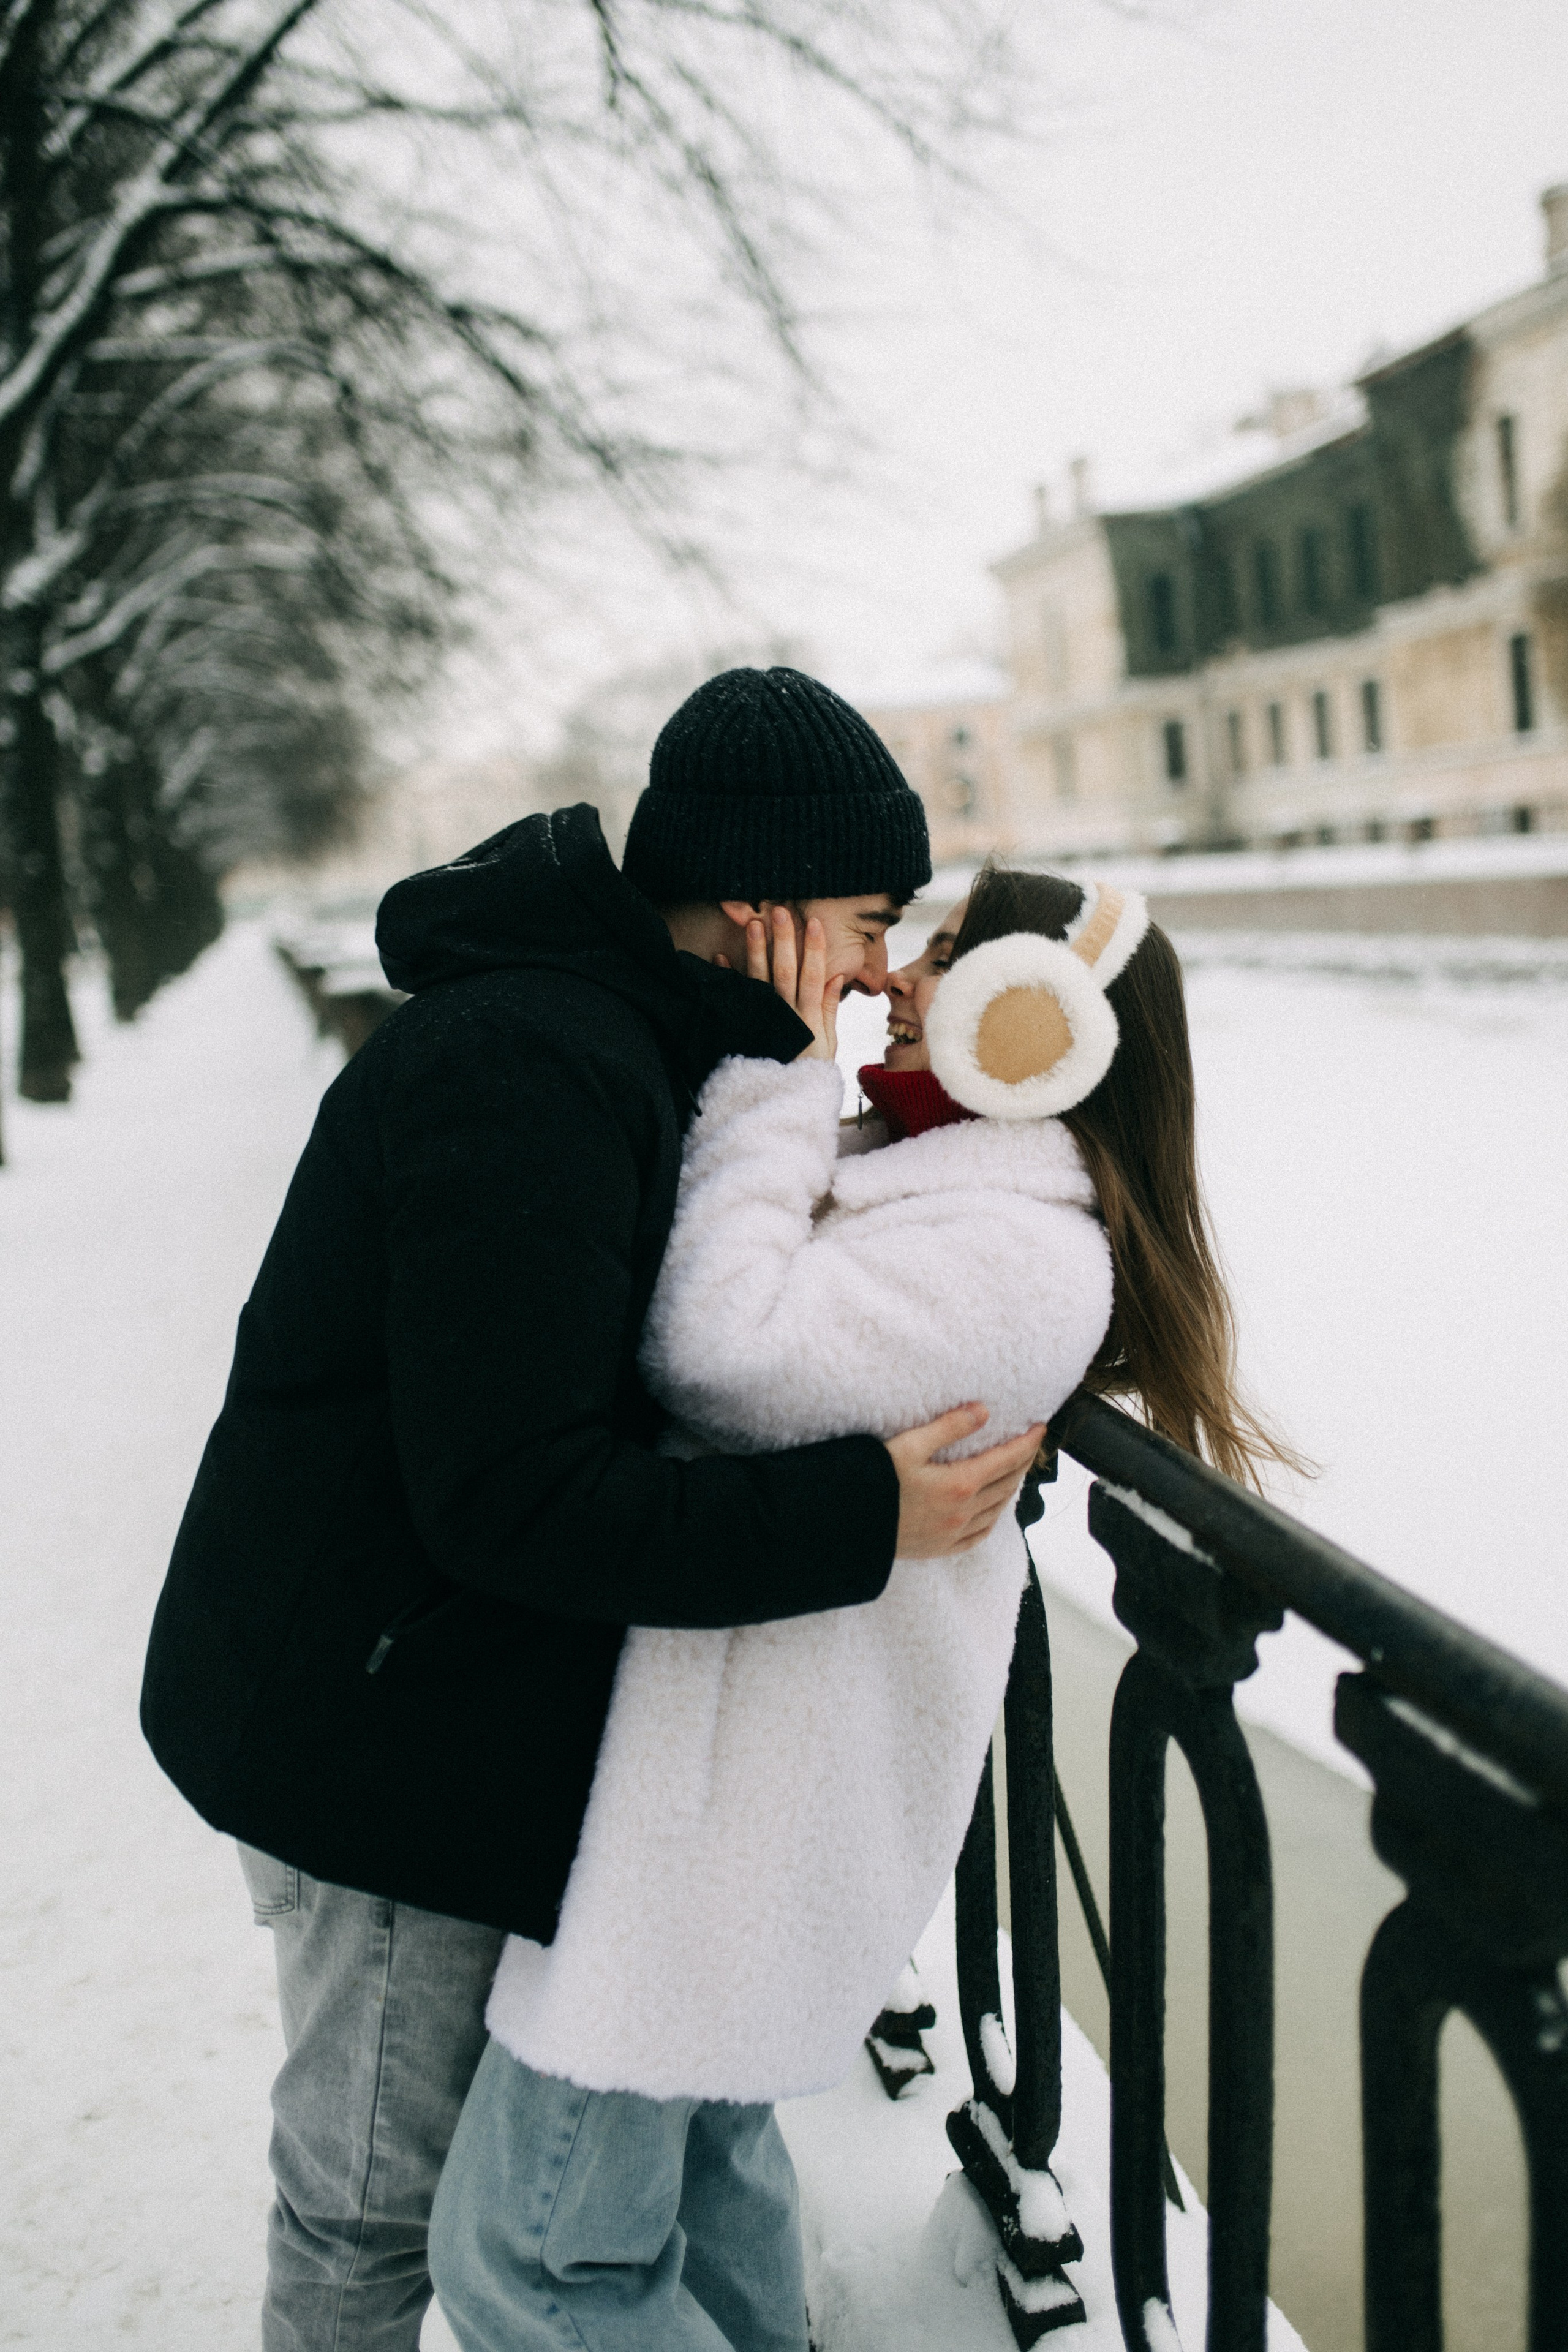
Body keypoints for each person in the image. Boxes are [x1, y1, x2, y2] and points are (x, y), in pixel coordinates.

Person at [139, 669, 1045, 2352]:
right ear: (760, 902)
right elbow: (513, 1495)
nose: (874, 973)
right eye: (866, 923)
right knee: (372, 2208)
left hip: (449, 1702)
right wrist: (866, 1515)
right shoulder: (531, 1065)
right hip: (377, 1738)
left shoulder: (638, 1037)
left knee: (500, 2181)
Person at [428, 860, 1292, 2350]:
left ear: (1040, 1022)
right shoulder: (923, 1180)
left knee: (530, 2260)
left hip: (729, 1824)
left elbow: (718, 1351)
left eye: (943, 955)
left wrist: (769, 1069)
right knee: (698, 2198)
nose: (892, 979)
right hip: (718, 1792)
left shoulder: (1019, 1256)